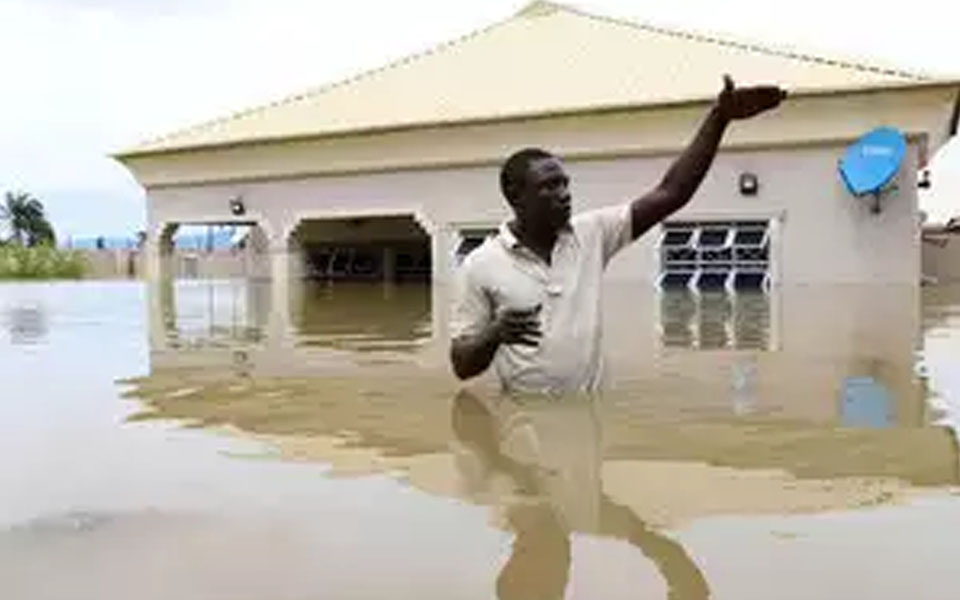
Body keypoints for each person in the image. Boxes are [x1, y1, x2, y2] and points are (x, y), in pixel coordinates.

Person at [450, 75, 785, 394]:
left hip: (586, 430)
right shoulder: (482, 264)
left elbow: (672, 193)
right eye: (550, 186)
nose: (565, 193)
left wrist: (719, 119)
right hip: (522, 431)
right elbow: (462, 365)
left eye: (565, 183)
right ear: (515, 195)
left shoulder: (592, 234)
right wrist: (493, 335)